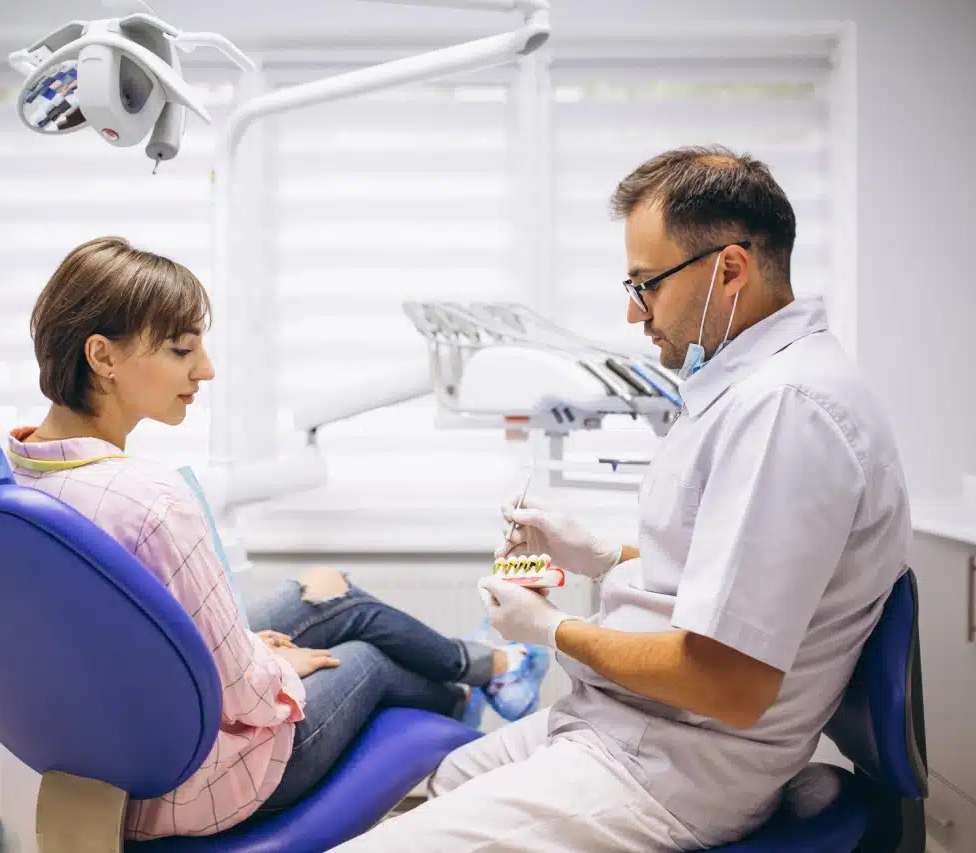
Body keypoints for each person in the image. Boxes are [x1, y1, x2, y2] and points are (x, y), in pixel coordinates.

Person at [332, 145, 911, 852]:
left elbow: (728, 681)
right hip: (627, 725)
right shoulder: (755, 389)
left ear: (729, 269)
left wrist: (549, 628)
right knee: (452, 777)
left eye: (648, 284)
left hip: (668, 769)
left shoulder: (787, 410)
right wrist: (606, 555)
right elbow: (736, 572)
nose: (636, 313)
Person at [4, 236, 549, 840]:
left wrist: (249, 655)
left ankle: (491, 666)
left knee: (329, 592)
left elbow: (134, 640)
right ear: (103, 356)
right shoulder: (149, 500)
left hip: (124, 745)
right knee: (366, 658)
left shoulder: (18, 483)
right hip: (194, 780)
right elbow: (243, 695)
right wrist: (277, 668)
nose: (205, 369)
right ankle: (462, 693)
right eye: (182, 349)